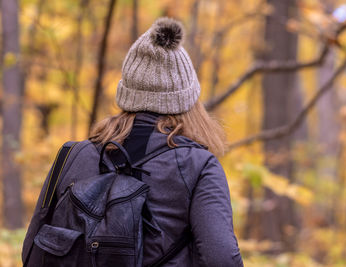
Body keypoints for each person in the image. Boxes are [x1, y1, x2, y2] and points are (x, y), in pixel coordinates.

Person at [24, 17, 243, 266]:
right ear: (187, 100)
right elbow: (222, 258)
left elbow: (32, 250)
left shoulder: (74, 154)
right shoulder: (199, 165)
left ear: (126, 91)